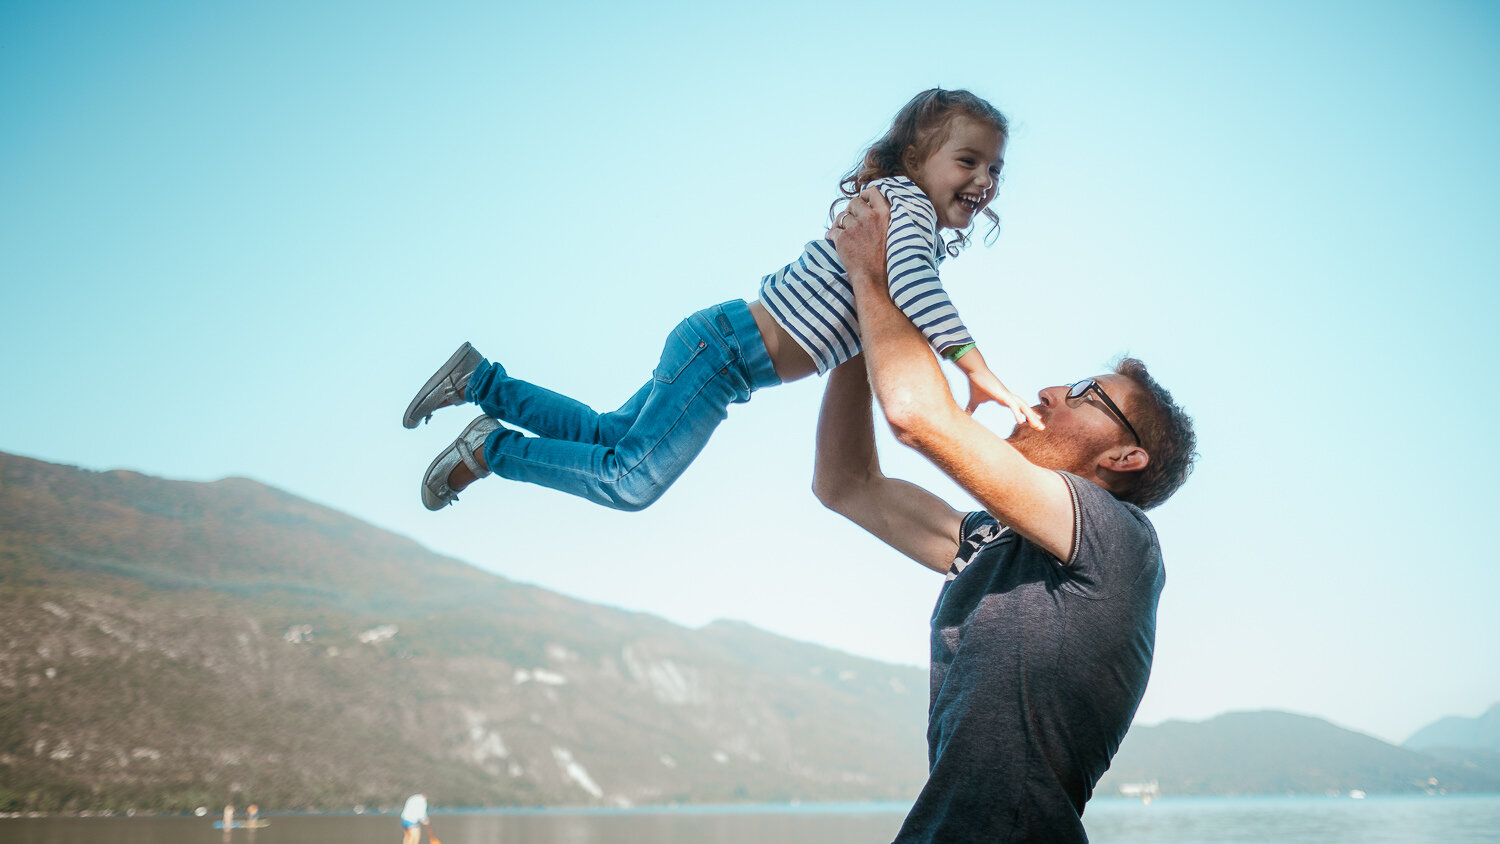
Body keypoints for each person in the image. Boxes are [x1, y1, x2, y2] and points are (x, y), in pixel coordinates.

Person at [403, 88, 1043, 512]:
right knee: (632, 482)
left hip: (719, 346)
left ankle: (479, 381)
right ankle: (491, 450)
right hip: (723, 354)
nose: (983, 181)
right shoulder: (906, 209)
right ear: (916, 158)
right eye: (968, 161)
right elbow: (910, 284)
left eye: (994, 170)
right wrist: (976, 369)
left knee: (609, 437)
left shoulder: (902, 213)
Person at [814, 189, 1196, 842]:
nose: (1051, 390)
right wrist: (856, 320)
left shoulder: (1119, 543)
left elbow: (917, 417)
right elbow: (846, 482)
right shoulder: (993, 542)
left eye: (1087, 395)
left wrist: (868, 274)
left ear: (1126, 455)